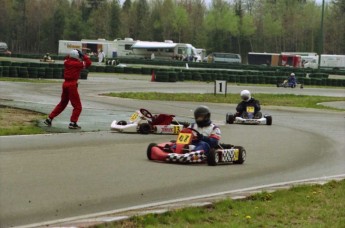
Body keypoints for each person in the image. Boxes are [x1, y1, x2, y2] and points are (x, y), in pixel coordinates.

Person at [44, 49, 92, 129]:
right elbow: (89, 63)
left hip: (65, 84)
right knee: (77, 106)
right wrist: (83, 56)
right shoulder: (78, 64)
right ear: (77, 56)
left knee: (62, 103)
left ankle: (49, 118)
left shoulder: (66, 62)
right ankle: (73, 122)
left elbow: (66, 57)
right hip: (72, 85)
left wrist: (73, 53)